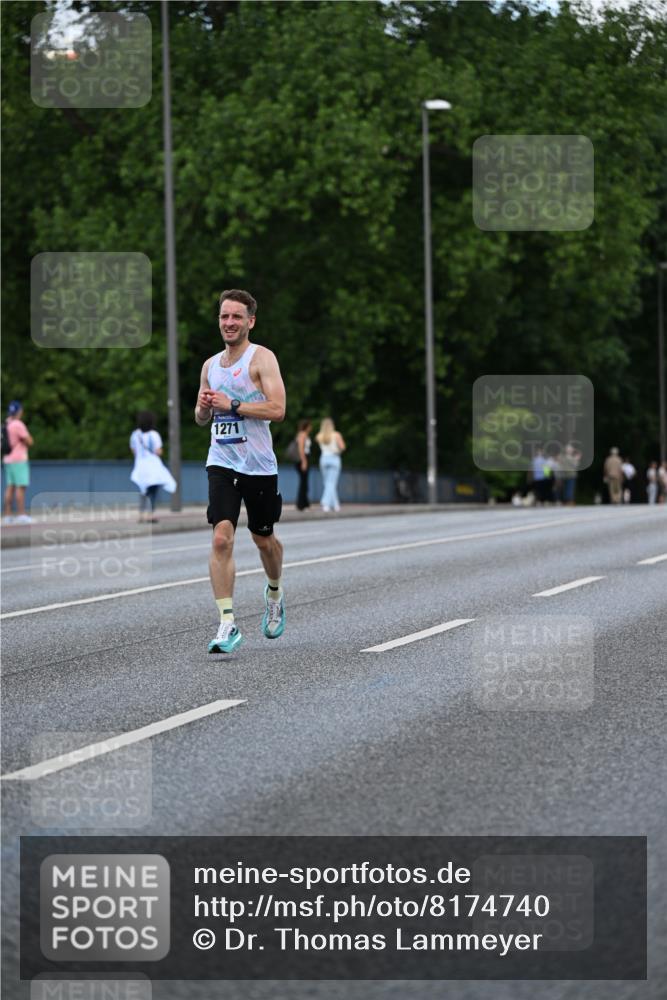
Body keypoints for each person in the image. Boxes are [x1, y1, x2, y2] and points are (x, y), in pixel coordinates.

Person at [195, 288, 286, 654]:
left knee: (263, 540)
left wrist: (233, 403)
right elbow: (201, 418)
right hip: (221, 460)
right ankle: (227, 623)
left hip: (259, 465)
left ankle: (275, 592)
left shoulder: (261, 359)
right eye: (223, 316)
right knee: (221, 538)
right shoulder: (210, 366)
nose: (228, 323)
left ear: (250, 321)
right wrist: (204, 408)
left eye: (236, 317)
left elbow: (277, 409)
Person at [129, 411, 177, 522]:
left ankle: (141, 514)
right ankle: (151, 514)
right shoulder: (154, 435)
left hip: (140, 465)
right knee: (153, 491)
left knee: (143, 490)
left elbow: (134, 450)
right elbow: (158, 451)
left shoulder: (135, 435)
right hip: (153, 466)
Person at [2, 400, 34, 524]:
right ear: (19, 411)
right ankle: (21, 514)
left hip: (7, 459)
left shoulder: (7, 423)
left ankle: (7, 515)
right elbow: (29, 441)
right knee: (21, 487)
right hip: (19, 459)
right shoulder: (18, 424)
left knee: (10, 487)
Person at [316, 417, 346, 512]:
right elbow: (343, 447)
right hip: (334, 458)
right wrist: (337, 450)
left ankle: (335, 505)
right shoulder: (336, 435)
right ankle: (325, 502)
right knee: (331, 483)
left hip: (324, 459)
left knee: (328, 483)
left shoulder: (319, 436)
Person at [294, 419, 312, 511]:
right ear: (307, 426)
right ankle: (301, 505)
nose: (311, 428)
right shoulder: (302, 435)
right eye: (310, 426)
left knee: (304, 482)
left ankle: (305, 503)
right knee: (303, 483)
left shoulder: (303, 435)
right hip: (303, 459)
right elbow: (301, 449)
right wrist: (304, 462)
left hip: (304, 459)